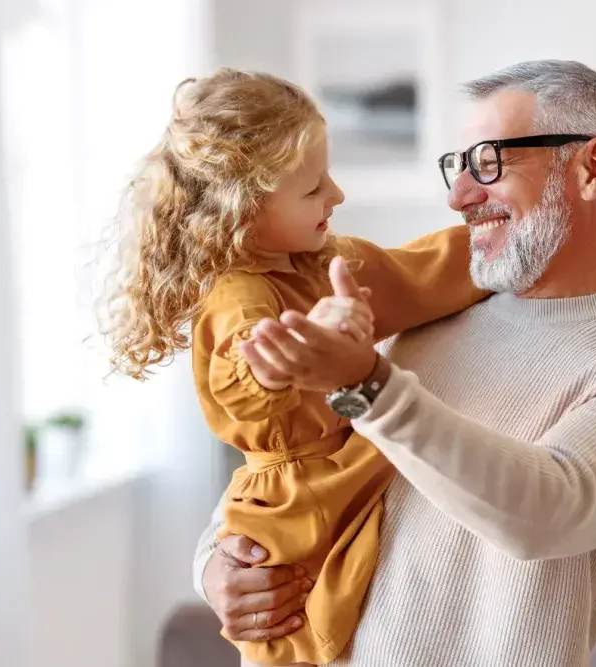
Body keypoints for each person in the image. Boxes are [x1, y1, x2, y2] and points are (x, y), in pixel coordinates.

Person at [194, 60, 596, 667]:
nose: (459, 196)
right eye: (459, 165)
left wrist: (366, 382)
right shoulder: (425, 312)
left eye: (490, 162)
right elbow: (299, 470)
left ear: (591, 168)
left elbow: (544, 512)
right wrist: (217, 568)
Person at [97, 69, 489, 666]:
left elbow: (421, 271)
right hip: (295, 506)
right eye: (312, 190)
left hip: (345, 470)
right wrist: (301, 349)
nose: (336, 195)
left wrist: (500, 245)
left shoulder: (329, 262)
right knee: (293, 631)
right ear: (243, 209)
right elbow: (250, 378)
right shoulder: (239, 295)